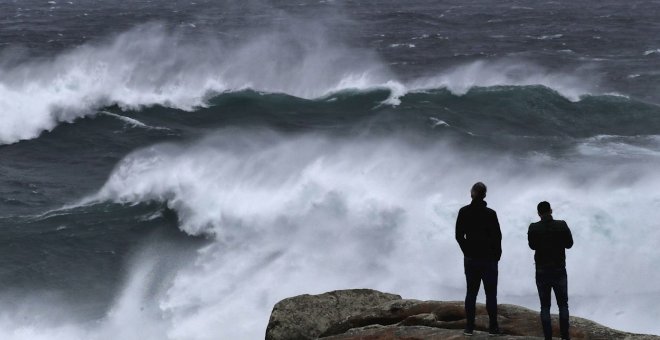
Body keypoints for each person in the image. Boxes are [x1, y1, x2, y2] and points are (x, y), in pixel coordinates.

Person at [455, 182, 502, 336]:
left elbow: (459, 235)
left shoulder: (464, 212)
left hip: (471, 259)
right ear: (484, 195)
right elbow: (497, 237)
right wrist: (497, 255)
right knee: (491, 294)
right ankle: (493, 328)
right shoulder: (490, 213)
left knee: (471, 293)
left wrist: (466, 251)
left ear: (472, 193)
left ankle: (469, 327)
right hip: (489, 259)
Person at [528, 201, 574, 340]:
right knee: (563, 305)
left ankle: (548, 338)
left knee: (545, 306)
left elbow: (532, 246)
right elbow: (569, 244)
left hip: (542, 271)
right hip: (559, 269)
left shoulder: (534, 227)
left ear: (539, 213)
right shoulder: (561, 225)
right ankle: (565, 337)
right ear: (551, 210)